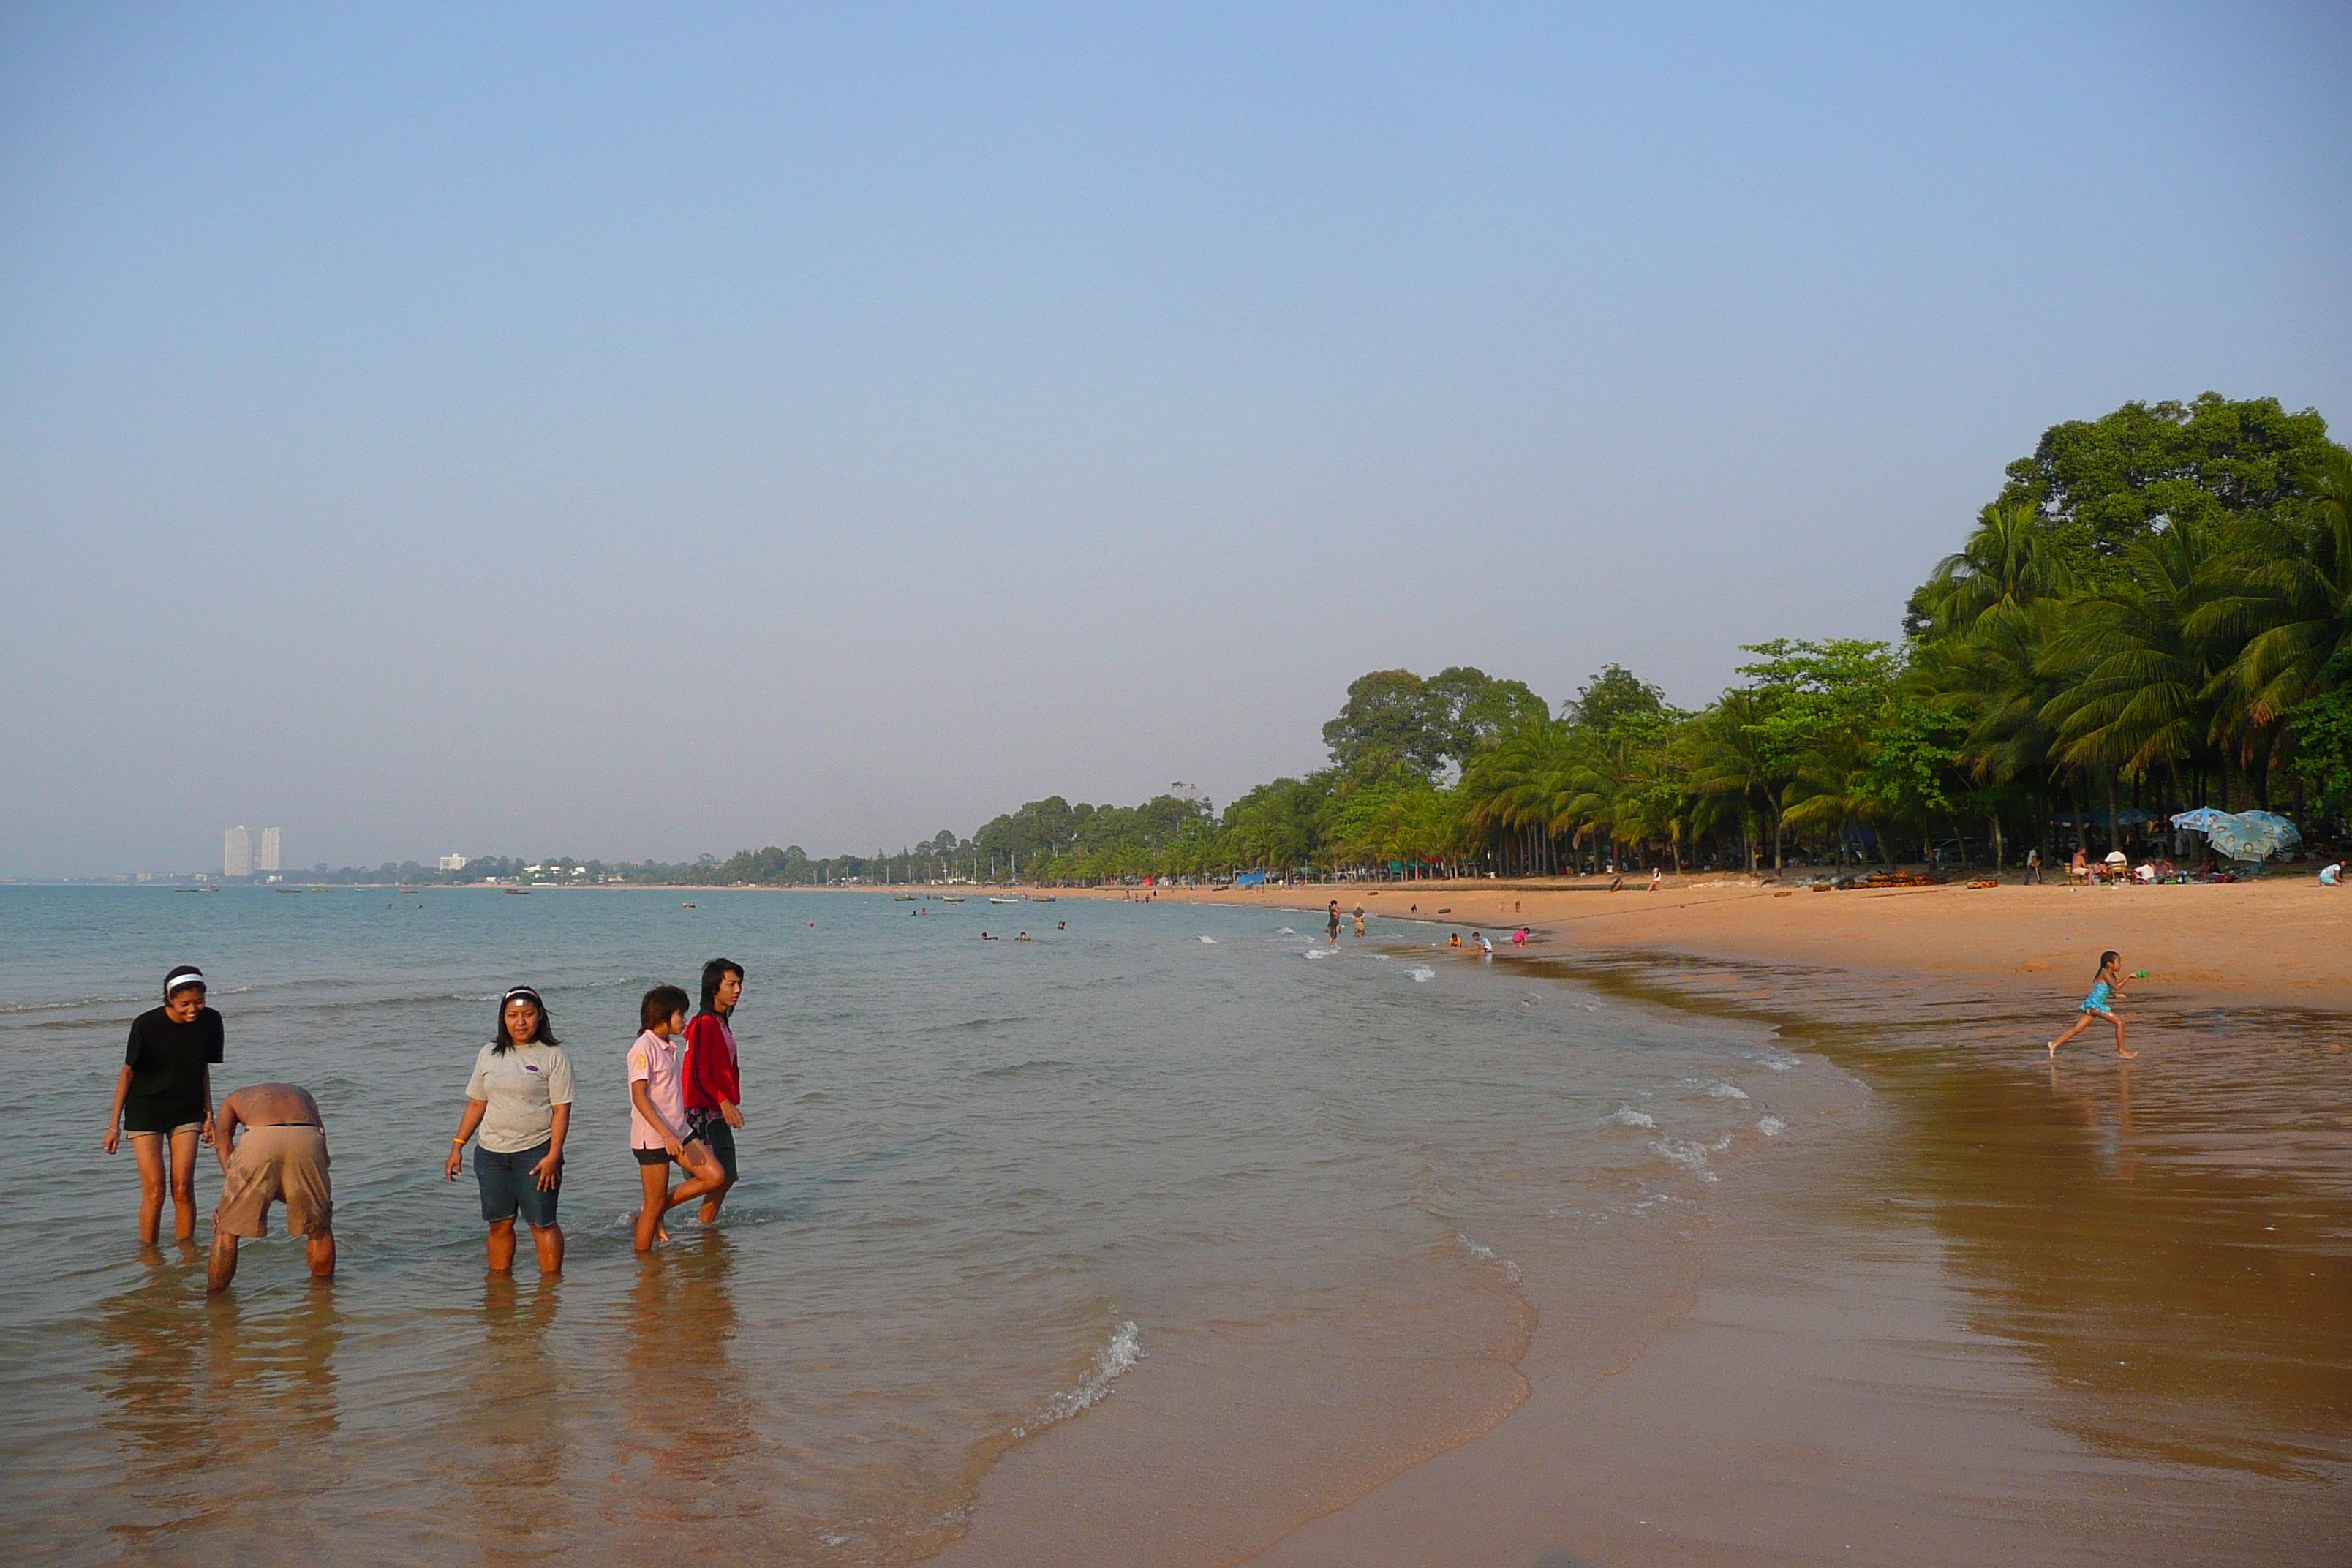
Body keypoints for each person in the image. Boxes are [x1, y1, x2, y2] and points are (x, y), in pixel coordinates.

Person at [446, 985, 573, 1275]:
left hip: (537, 1153)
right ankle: (500, 1289)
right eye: (513, 1015)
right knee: (499, 1224)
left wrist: (554, 1155)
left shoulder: (553, 1055)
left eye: (528, 1014)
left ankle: (550, 1291)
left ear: (539, 1016)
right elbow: (478, 1103)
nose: (520, 1022)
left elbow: (561, 1111)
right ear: (503, 1018)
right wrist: (458, 1146)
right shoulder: (489, 1053)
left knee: (541, 1223)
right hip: (491, 1155)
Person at [105, 965, 222, 1246]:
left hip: (187, 1110)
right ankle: (151, 1259)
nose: (193, 1009)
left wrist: (209, 1116)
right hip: (146, 1110)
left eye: (198, 1002)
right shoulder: (146, 1025)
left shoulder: (212, 1021)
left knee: (183, 1188)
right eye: (185, 1004)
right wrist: (114, 1127)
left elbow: (203, 1069)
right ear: (170, 998)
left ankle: (187, 1256)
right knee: (155, 1191)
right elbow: (128, 1073)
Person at [208, 1082, 334, 1292]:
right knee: (319, 1225)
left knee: (226, 1229)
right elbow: (321, 1134)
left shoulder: (234, 1097)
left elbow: (222, 1139)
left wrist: (233, 1186)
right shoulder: (303, 1094)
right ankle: (324, 1296)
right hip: (306, 1136)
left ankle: (215, 1300)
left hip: (260, 1136)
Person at [630, 984, 728, 1251]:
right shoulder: (643, 1047)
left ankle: (657, 1209)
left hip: (681, 1130)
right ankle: (645, 1266)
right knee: (653, 1205)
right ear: (663, 1015)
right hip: (653, 1137)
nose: (684, 1019)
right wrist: (665, 1134)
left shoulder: (669, 1046)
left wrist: (675, 1132)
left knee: (716, 1176)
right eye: (679, 1014)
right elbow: (639, 1097)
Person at [682, 958, 745, 1224]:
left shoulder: (720, 1020)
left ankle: (705, 1229)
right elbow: (698, 1073)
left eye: (740, 984)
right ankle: (651, 1211)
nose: (738, 989)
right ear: (713, 988)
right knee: (710, 1178)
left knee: (726, 1177)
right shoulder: (703, 1023)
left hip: (716, 1109)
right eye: (731, 984)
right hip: (701, 1111)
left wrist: (727, 1102)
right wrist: (724, 1102)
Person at [2047, 951, 2136, 1060]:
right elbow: (2116, 986)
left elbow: (2104, 989)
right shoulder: (2105, 973)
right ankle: (2122, 1052)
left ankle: (2054, 1044)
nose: (2120, 965)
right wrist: (2128, 977)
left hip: (2092, 1004)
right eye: (2118, 962)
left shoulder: (2109, 974)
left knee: (2078, 1028)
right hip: (2095, 1005)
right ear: (2109, 964)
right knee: (2119, 1022)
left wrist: (2115, 995)